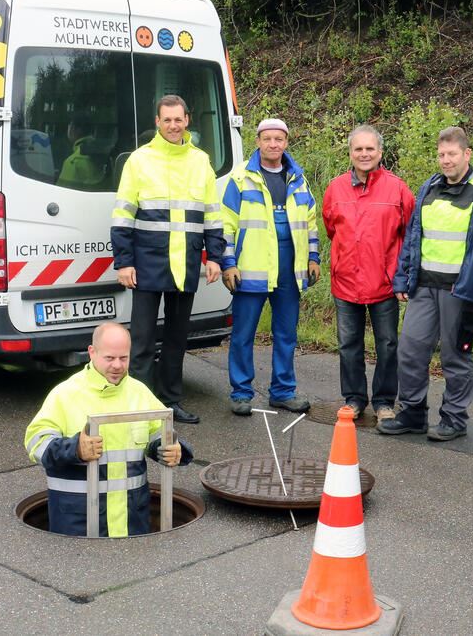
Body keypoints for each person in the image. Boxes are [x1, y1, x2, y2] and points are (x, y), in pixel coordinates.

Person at [377, 126, 473, 441]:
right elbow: (413, 236)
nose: (446, 160)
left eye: (452, 154)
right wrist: (403, 277)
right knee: (410, 350)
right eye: (441, 155)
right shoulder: (430, 187)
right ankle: (412, 413)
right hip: (423, 288)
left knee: (455, 357)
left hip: (460, 292)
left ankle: (454, 419)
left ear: (467, 154)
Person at [110, 94, 223, 425]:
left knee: (176, 339)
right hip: (147, 261)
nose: (173, 126)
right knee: (143, 340)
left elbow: (212, 215)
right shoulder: (139, 160)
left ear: (187, 120)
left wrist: (215, 257)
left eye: (178, 119)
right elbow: (123, 216)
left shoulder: (201, 161)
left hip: (185, 262)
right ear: (157, 122)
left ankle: (171, 402)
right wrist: (124, 262)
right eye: (167, 120)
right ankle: (141, 408)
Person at [24, 322, 193, 538]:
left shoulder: (139, 392)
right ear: (92, 352)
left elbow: (160, 433)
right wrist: (75, 449)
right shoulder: (65, 394)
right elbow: (36, 442)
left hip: (131, 520)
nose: (117, 365)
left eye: (123, 358)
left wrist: (171, 448)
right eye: (110, 358)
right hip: (78, 522)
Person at [220, 118, 321, 416]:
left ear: (286, 142)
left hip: (289, 267)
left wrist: (313, 258)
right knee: (243, 334)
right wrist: (228, 262)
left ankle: (283, 391)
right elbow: (226, 224)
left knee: (286, 333)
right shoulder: (241, 178)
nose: (273, 144)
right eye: (267, 139)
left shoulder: (298, 179)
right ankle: (241, 393)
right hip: (251, 268)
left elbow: (310, 223)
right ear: (258, 142)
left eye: (279, 139)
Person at [322, 125, 415, 422]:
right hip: (346, 281)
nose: (364, 154)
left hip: (384, 283)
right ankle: (354, 398)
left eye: (370, 148)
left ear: (380, 152)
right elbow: (331, 229)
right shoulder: (335, 188)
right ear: (350, 153)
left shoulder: (398, 189)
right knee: (349, 345)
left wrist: (401, 274)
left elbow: (409, 233)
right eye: (358, 149)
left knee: (387, 345)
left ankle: (384, 401)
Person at [57, 115, 106, 190]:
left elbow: (61, 191)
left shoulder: (73, 161)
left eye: (70, 126)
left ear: (75, 130)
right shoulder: (104, 154)